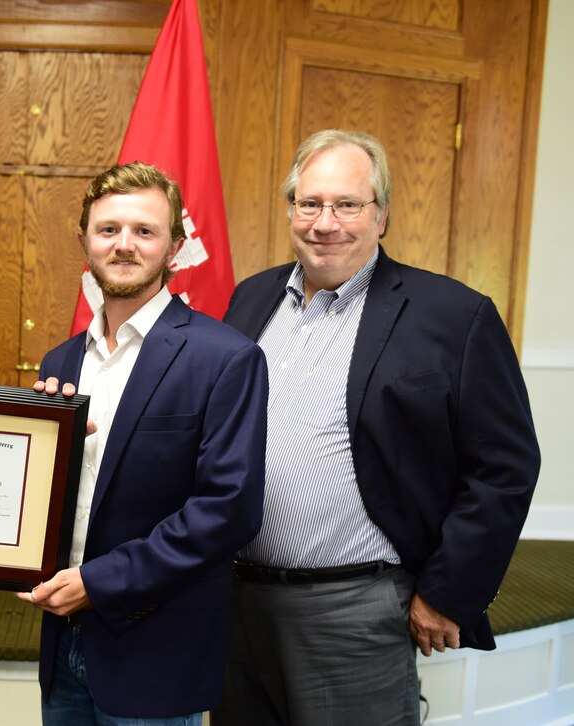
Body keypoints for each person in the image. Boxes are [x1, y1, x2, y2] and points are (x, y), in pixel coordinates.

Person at [215, 129, 540, 724]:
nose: (325, 222)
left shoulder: (453, 315)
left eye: (347, 205)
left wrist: (449, 592)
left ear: (382, 215)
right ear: (291, 209)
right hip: (236, 604)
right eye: (309, 203)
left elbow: (505, 468)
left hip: (357, 613)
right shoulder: (251, 299)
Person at [16, 161, 268, 724]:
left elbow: (227, 512)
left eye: (144, 231)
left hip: (156, 647)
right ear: (84, 241)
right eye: (108, 230)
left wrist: (97, 583)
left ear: (175, 248)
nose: (124, 245)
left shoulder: (225, 358)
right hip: (62, 643)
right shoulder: (61, 362)